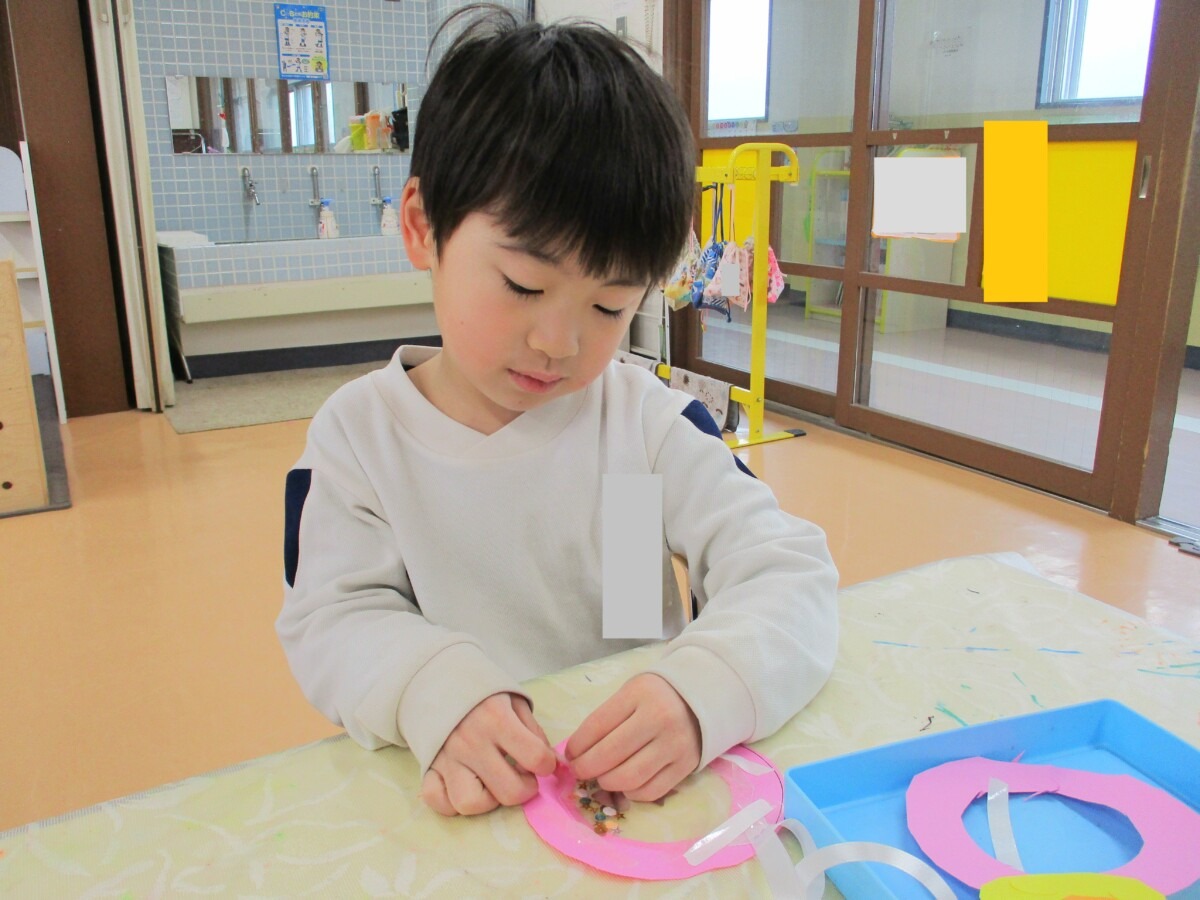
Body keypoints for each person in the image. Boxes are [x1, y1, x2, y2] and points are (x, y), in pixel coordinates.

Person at [276, 6, 838, 819]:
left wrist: (706, 687)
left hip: (635, 804)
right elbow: (332, 617)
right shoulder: (360, 440)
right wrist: (429, 689)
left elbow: (785, 570)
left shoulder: (641, 426)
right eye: (523, 286)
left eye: (609, 307)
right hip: (463, 805)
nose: (558, 343)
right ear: (422, 228)